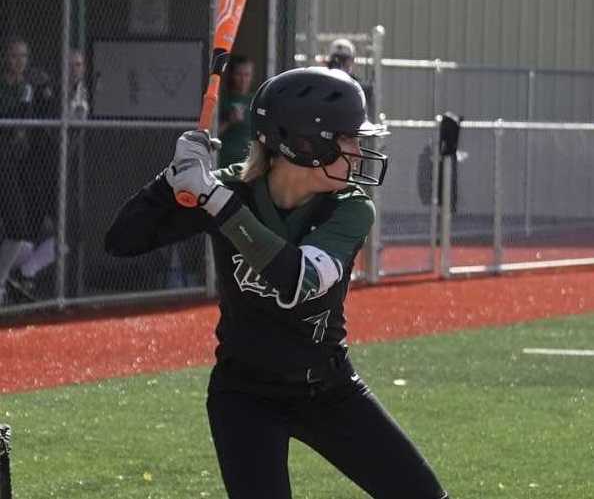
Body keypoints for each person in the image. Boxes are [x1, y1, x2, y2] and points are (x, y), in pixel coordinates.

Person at [105, 67, 449, 499]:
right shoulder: (230, 191)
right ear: (304, 144)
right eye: (348, 138)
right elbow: (122, 241)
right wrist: (169, 180)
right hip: (244, 395)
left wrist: (213, 199)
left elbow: (298, 278)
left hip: (327, 388)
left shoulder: (349, 209)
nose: (359, 150)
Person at [0, 37, 57, 304]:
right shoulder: (7, 87)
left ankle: (3, 280)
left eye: (23, 56)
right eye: (14, 56)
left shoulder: (27, 87)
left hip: (10, 162)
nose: (19, 62)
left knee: (18, 224)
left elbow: (27, 131)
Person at [218, 55, 255, 167]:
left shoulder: (256, 100)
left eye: (247, 75)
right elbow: (209, 136)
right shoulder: (221, 100)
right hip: (224, 164)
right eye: (239, 74)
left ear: (252, 76)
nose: (243, 79)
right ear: (231, 75)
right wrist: (229, 121)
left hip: (249, 165)